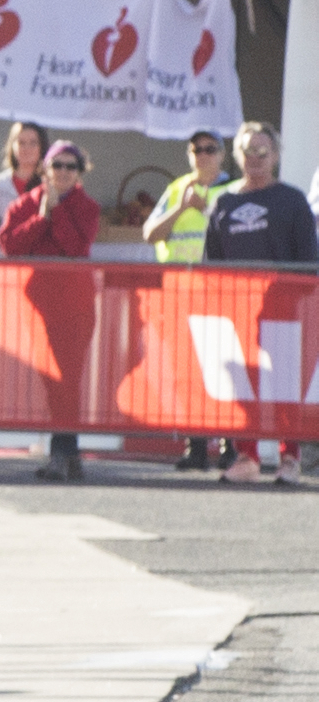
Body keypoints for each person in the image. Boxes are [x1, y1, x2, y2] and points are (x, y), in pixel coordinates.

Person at [202, 121, 316, 486]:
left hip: (283, 308)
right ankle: (246, 456)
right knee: (242, 385)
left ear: (276, 156)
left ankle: (289, 459)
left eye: (262, 151)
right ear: (237, 156)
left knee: (285, 385)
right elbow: (212, 262)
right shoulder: (224, 201)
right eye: (248, 151)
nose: (255, 159)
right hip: (236, 310)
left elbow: (309, 260)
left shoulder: (292, 200)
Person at [0, 139, 100, 482]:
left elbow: (76, 247)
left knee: (68, 379)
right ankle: (68, 454)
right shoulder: (25, 204)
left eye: (72, 167)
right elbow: (10, 245)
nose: (64, 173)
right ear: (45, 169)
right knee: (51, 381)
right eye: (58, 166)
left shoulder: (87, 207)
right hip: (39, 306)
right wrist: (42, 216)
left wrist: (55, 213)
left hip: (76, 304)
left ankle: (64, 452)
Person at [143, 129, 236, 472]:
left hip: (221, 292)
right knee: (188, 372)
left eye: (210, 149)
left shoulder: (233, 190)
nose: (204, 155)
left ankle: (231, 447)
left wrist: (207, 209)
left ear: (222, 155)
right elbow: (150, 233)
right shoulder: (177, 188)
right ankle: (195, 446)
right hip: (181, 291)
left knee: (226, 369)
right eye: (197, 150)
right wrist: (182, 207)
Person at [0, 121, 47, 252]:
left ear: (42, 147)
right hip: (9, 261)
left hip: (43, 259)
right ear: (12, 146)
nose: (27, 148)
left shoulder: (50, 184)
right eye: (21, 143)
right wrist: (11, 239)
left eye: (33, 143)